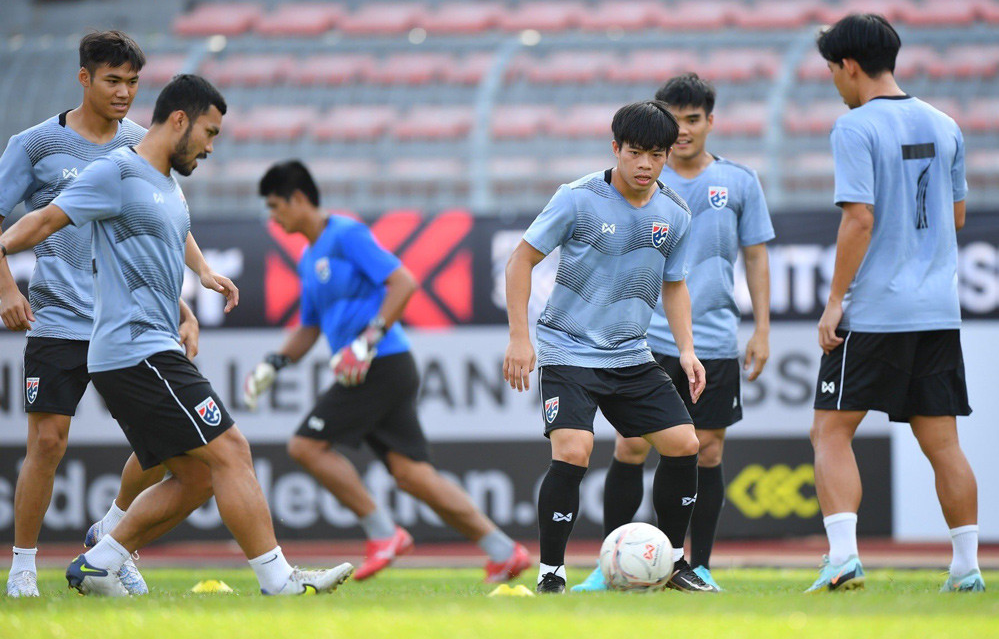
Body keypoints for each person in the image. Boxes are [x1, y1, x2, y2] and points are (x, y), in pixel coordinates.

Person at [0, 75, 352, 597]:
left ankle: (100, 561)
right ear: (180, 120)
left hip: (153, 344)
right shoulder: (115, 171)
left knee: (198, 476)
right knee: (232, 450)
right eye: (209, 133)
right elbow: (44, 221)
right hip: (133, 349)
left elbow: (149, 267)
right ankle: (278, 580)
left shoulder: (166, 185)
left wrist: (190, 299)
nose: (210, 147)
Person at [0, 31, 222, 598]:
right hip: (57, 319)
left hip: (127, 325)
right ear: (84, 78)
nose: (124, 93)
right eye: (112, 81)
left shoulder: (140, 144)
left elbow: (161, 227)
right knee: (47, 444)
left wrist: (189, 294)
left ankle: (112, 531)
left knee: (161, 446)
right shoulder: (33, 145)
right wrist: (5, 290)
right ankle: (23, 566)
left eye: (132, 83)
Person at [245, 160, 531, 583]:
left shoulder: (346, 234)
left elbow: (404, 282)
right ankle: (504, 551)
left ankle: (383, 534)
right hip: (375, 368)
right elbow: (309, 327)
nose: (273, 217)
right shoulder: (308, 259)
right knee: (413, 475)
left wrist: (365, 341)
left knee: (306, 446)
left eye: (275, 206)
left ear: (299, 198)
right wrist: (274, 363)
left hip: (381, 363)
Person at [505, 100, 717, 594]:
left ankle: (673, 563)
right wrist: (519, 337)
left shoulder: (675, 213)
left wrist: (687, 350)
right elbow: (520, 260)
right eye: (635, 153)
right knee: (574, 451)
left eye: (656, 155)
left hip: (630, 355)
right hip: (568, 350)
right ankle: (552, 573)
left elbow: (675, 285)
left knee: (686, 444)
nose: (645, 165)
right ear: (616, 148)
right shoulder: (577, 199)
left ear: (668, 155)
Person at [573, 74, 774, 593]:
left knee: (707, 451)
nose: (683, 130)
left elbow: (756, 256)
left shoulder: (739, 182)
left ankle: (694, 565)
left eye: (693, 119)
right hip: (642, 339)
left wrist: (762, 329)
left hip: (713, 338)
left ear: (711, 121)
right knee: (630, 447)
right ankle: (610, 564)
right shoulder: (640, 180)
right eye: (674, 120)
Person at [806, 14, 982, 593]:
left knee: (830, 432)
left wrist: (835, 301)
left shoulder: (855, 127)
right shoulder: (945, 123)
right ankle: (967, 569)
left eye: (832, 70)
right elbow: (956, 217)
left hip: (877, 309)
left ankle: (843, 559)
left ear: (849, 66)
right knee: (943, 443)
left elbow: (859, 218)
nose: (834, 81)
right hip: (937, 309)